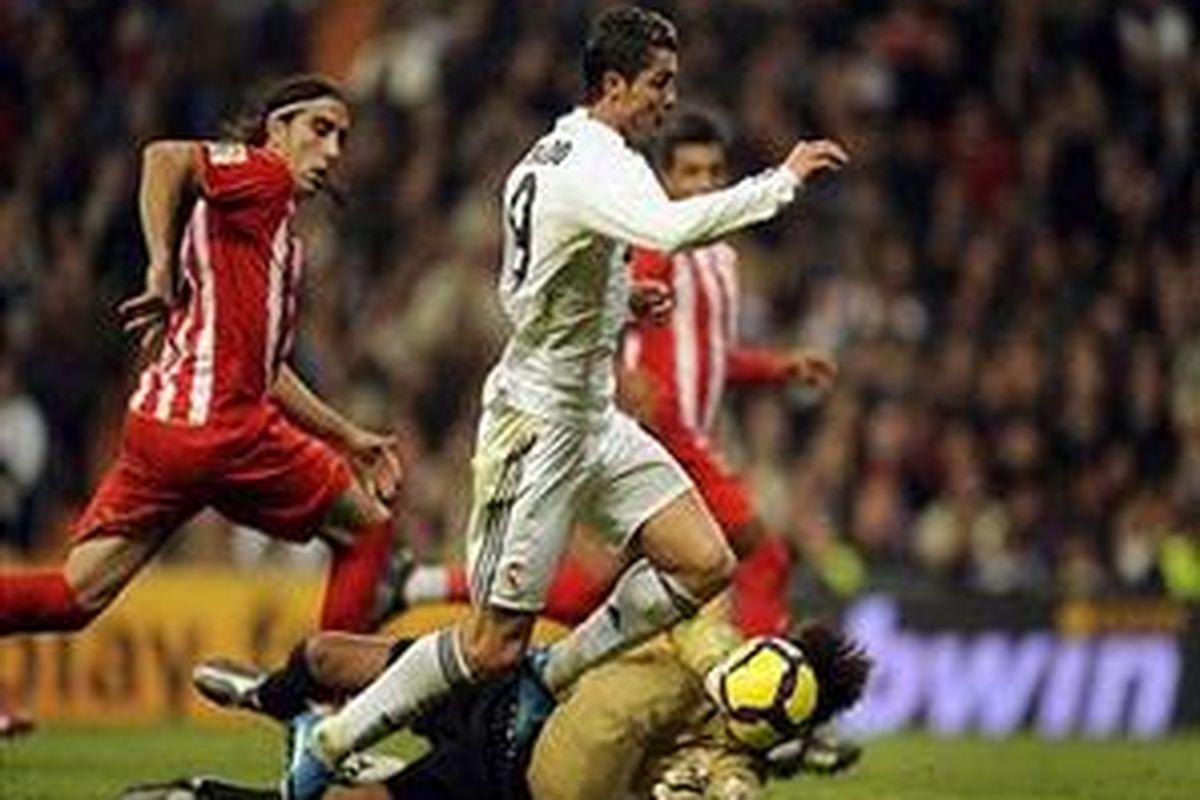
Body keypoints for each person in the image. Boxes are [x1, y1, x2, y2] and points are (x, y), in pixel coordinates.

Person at [283, 9, 848, 796]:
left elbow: (530, 288)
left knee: (705, 561)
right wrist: (780, 181)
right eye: (659, 83)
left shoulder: (561, 154)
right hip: (538, 426)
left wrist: (618, 305)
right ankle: (329, 737)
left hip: (591, 418)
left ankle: (556, 669)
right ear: (614, 84)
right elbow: (670, 228)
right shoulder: (595, 164)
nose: (667, 98)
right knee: (489, 649)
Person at [0, 75, 404, 639]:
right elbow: (164, 158)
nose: (333, 151)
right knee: (367, 531)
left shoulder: (272, 231)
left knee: (75, 595)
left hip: (163, 427)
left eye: (341, 137)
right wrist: (158, 263)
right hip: (222, 428)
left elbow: (266, 370)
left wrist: (347, 434)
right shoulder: (264, 175)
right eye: (320, 129)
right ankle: (320, 711)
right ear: (278, 129)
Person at [129, 613, 870, 799]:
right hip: (521, 680)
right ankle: (272, 696)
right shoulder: (721, 646)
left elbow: (722, 784)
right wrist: (716, 665)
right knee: (323, 655)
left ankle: (202, 795)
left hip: (510, 772)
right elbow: (687, 615)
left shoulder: (730, 761)